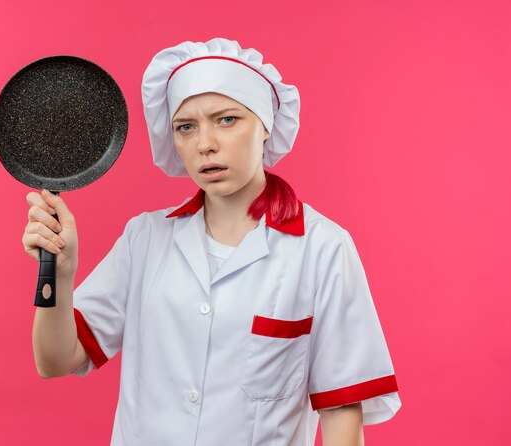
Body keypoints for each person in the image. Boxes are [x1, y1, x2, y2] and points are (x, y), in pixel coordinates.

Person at [23, 38, 401, 446]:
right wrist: (61, 276)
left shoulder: (323, 249)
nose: (205, 143)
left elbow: (341, 412)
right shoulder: (145, 238)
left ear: (266, 124)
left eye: (227, 119)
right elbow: (56, 359)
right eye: (186, 127)